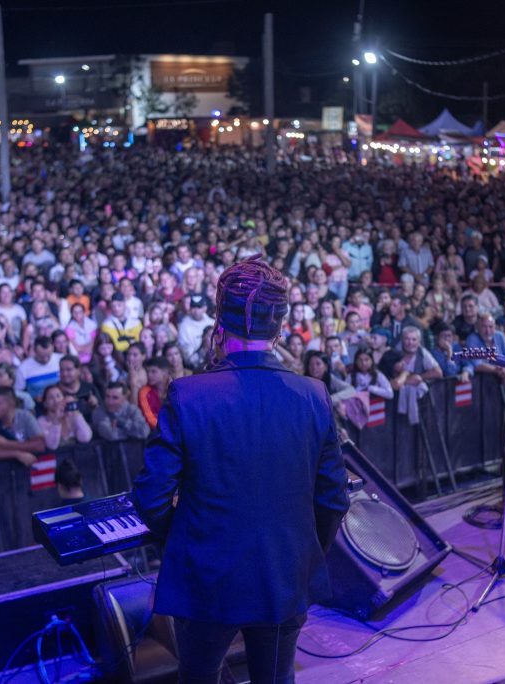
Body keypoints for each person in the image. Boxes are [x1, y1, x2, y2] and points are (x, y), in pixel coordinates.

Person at [132, 256, 348, 683]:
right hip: (283, 573)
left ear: (219, 321)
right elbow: (334, 500)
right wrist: (301, 554)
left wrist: (190, 544)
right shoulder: (313, 394)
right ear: (280, 326)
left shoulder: (189, 395)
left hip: (208, 576)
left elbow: (151, 497)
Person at [0, 387, 46, 466]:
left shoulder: (25, 416)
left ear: (11, 404)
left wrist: (5, 444)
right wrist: (17, 454)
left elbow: (39, 445)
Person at [37, 384, 93, 450]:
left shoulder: (72, 416)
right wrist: (56, 421)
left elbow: (85, 438)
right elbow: (51, 445)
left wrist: (76, 412)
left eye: (58, 396)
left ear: (63, 398)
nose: (56, 400)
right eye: (51, 398)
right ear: (45, 403)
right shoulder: (41, 421)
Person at [138, 356, 173, 430]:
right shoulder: (144, 392)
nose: (149, 375)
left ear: (165, 372)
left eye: (153, 371)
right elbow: (150, 419)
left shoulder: (175, 388)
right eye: (148, 372)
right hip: (157, 432)